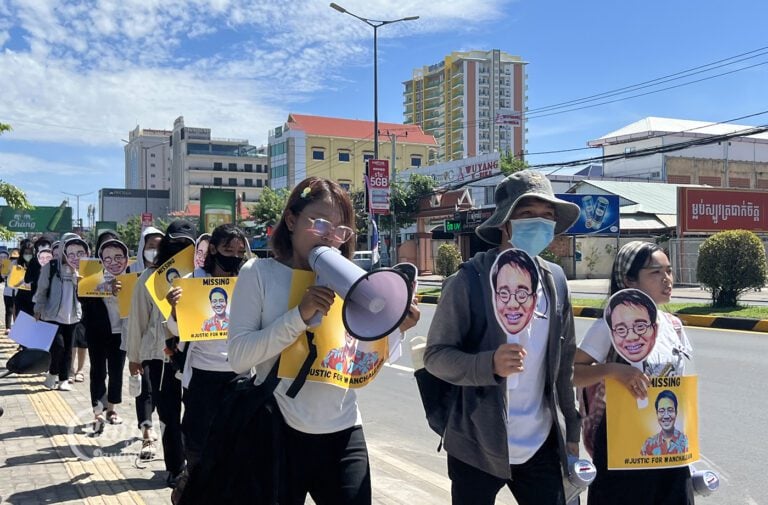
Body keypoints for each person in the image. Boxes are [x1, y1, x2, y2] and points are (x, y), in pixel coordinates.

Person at [228, 177, 417, 505]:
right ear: (291, 220)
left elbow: (356, 365)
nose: (332, 236)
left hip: (344, 430)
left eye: (341, 229)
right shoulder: (258, 273)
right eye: (320, 223)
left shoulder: (354, 281)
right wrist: (298, 317)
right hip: (278, 431)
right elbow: (239, 356)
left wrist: (394, 328)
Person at [424, 169, 581, 505]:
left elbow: (565, 366)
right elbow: (436, 356)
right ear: (505, 223)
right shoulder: (469, 280)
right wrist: (488, 364)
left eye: (547, 216)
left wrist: (572, 431)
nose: (539, 223)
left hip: (541, 444)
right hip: (477, 444)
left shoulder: (555, 281)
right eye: (527, 214)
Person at [573, 241, 694, 505]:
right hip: (622, 446)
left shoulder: (673, 326)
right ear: (629, 280)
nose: (667, 280)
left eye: (669, 271)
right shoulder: (611, 325)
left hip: (670, 448)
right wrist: (615, 371)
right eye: (655, 273)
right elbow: (573, 372)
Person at [164, 223, 249, 501]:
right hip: (201, 376)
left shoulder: (247, 282)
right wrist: (175, 308)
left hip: (239, 375)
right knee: (198, 445)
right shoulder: (192, 280)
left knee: (235, 447)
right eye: (227, 249)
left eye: (239, 251)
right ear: (213, 249)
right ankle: (189, 486)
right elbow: (176, 331)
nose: (234, 256)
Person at [126, 220, 195, 488]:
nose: (180, 251)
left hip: (192, 356)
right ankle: (176, 467)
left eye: (186, 245)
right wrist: (134, 357)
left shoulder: (200, 275)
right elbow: (137, 320)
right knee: (168, 414)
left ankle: (192, 461)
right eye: (175, 244)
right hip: (158, 356)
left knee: (194, 413)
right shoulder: (149, 277)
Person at [81, 232, 128, 431]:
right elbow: (82, 299)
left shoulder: (128, 270)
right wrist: (95, 286)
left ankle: (112, 409)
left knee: (117, 371)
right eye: (106, 248)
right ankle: (98, 412)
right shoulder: (89, 272)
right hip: (96, 329)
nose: (111, 256)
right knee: (98, 370)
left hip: (120, 329)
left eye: (115, 248)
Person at [125, 226, 164, 460]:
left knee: (166, 398)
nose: (155, 251)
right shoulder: (142, 278)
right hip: (149, 348)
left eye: (160, 246)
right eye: (150, 246)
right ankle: (147, 434)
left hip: (173, 352)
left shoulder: (180, 276)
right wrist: (134, 357)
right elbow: (137, 321)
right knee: (146, 392)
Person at [34, 233, 89, 391]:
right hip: (52, 314)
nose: (74, 255)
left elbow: (88, 292)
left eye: (79, 251)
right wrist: (38, 308)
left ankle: (64, 379)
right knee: (58, 347)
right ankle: (52, 374)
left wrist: (81, 281)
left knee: (68, 349)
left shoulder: (82, 269)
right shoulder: (50, 267)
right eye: (70, 250)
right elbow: (42, 289)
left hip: (72, 316)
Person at [491, 248, 539, 335]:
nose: (512, 304)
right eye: (504, 294)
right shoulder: (468, 277)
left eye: (522, 294)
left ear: (534, 300)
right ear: (495, 298)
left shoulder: (555, 280)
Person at [605, 289, 658, 364]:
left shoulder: (672, 327)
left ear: (655, 329)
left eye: (640, 326)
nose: (631, 337)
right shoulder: (602, 329)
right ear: (612, 334)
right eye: (621, 329)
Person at [641, 390, 688, 457]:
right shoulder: (648, 444)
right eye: (661, 411)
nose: (666, 416)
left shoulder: (685, 441)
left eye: (670, 410)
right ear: (657, 414)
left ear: (676, 412)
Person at [13, 239, 35, 317]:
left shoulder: (38, 265)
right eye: (26, 253)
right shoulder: (17, 265)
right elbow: (13, 284)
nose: (28, 255)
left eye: (30, 253)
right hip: (21, 298)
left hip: (34, 299)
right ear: (22, 254)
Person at [1, 248, 14, 334]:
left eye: (5, 256)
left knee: (17, 310)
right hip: (8, 290)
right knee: (8, 309)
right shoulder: (5, 265)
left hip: (18, 290)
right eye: (1, 257)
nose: (3, 258)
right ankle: (8, 327)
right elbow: (2, 276)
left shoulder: (14, 264)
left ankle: (17, 326)